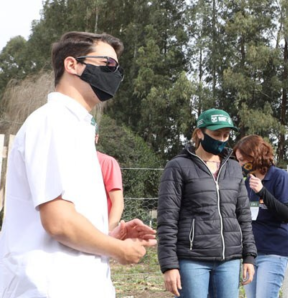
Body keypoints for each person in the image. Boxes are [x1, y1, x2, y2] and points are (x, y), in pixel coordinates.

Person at [0, 31, 156, 297]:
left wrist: (107, 236)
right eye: (108, 64)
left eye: (117, 67)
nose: (115, 73)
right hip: (51, 286)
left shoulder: (76, 128)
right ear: (72, 64)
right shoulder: (53, 122)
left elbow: (69, 216)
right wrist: (118, 250)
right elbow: (59, 222)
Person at [157, 109, 257, 297]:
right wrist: (169, 265)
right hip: (192, 259)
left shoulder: (234, 168)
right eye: (216, 134)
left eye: (226, 135)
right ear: (200, 133)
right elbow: (167, 218)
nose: (221, 139)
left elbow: (244, 215)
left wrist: (249, 256)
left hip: (229, 259)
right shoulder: (178, 167)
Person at [234, 135, 288, 298]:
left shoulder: (280, 177)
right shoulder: (247, 181)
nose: (240, 164)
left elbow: (286, 214)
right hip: (252, 253)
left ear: (255, 157)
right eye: (239, 160)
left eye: (243, 160)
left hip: (273, 251)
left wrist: (262, 192)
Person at [95, 129, 125, 230]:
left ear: (96, 137)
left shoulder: (107, 162)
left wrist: (109, 233)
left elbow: (117, 202)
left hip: (98, 233)